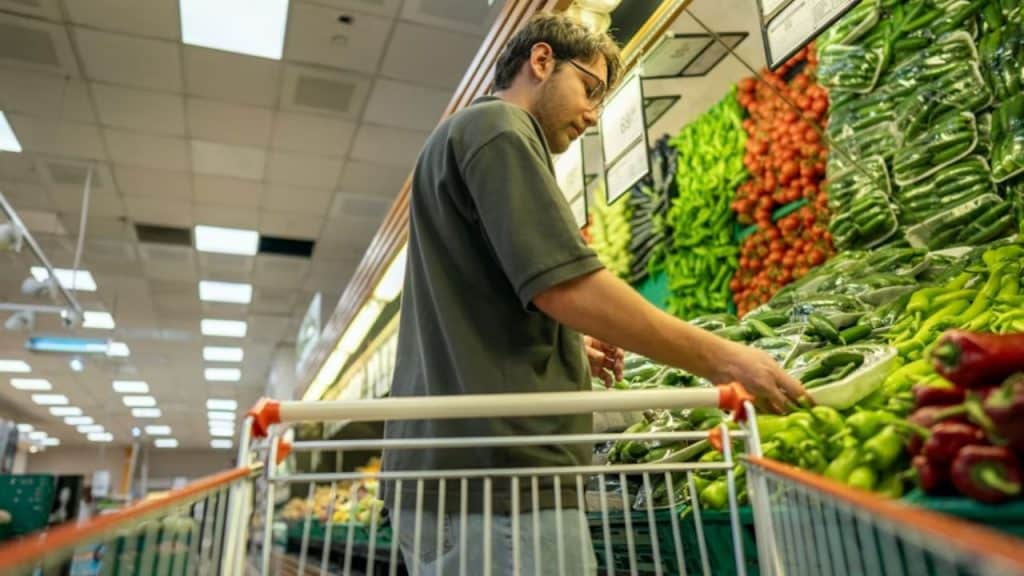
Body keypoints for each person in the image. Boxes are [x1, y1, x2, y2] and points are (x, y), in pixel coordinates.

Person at [381, 12, 806, 574]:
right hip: (498, 479)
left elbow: (478, 302)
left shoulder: (461, 139)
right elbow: (568, 287)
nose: (593, 114)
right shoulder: (499, 129)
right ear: (541, 61)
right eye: (590, 89)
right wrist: (723, 359)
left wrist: (560, 345)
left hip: (457, 476)